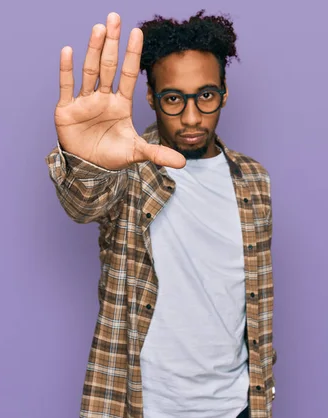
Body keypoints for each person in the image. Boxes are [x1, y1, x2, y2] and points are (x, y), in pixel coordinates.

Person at [45, 9, 276, 418]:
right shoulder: (130, 172)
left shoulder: (254, 180)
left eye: (205, 95)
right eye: (173, 99)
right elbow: (84, 203)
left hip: (238, 406)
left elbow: (252, 306)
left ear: (224, 92)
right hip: (144, 406)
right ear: (150, 96)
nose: (191, 117)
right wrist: (86, 161)